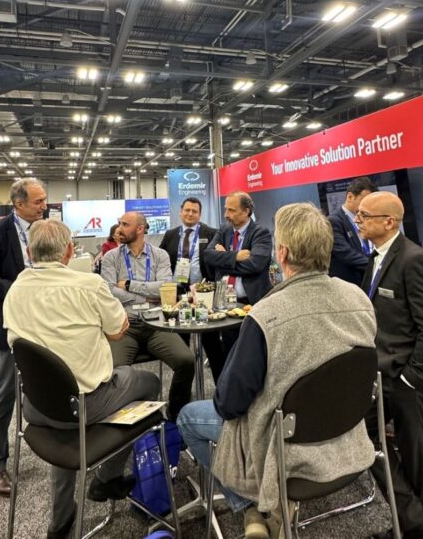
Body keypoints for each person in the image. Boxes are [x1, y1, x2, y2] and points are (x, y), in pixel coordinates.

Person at [178, 203, 377, 538]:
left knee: (187, 418)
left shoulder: (265, 315)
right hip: (347, 435)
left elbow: (229, 404)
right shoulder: (359, 299)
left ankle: (251, 506)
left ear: (281, 254)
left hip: (282, 446)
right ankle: (260, 509)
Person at [3, 219, 159, 539]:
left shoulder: (15, 288)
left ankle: (60, 521)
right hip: (85, 405)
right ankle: (107, 477)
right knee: (148, 384)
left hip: (36, 407)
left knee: (62, 402)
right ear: (69, 252)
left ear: (30, 252)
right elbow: (117, 331)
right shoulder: (89, 285)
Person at [356, 191, 423, 539]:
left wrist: (412, 378)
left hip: (407, 377)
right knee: (363, 437)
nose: (358, 219)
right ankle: (417, 523)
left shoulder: (414, 260)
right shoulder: (376, 258)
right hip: (381, 373)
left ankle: (418, 526)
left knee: (415, 454)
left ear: (389, 222)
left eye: (365, 215)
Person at [0, 178, 47, 497]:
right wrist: (23, 288)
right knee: (5, 393)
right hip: (10, 324)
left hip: (44, 322)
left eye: (44, 200)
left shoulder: (44, 230)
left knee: (47, 385)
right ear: (19, 204)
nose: (44, 205)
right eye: (38, 201)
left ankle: (52, 445)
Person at [101, 210, 194, 421]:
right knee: (113, 370)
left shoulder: (160, 255)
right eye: (119, 223)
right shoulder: (111, 257)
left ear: (140, 229)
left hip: (157, 325)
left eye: (125, 225)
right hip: (124, 327)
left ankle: (175, 415)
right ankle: (124, 422)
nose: (119, 229)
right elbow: (108, 291)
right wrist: (145, 296)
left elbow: (165, 287)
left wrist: (129, 285)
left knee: (186, 360)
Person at [204, 191, 272, 378]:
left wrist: (223, 259)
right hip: (225, 303)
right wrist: (235, 256)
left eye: (232, 210)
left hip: (251, 303)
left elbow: (255, 265)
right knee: (229, 352)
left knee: (252, 355)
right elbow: (208, 256)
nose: (226, 214)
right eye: (226, 209)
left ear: (246, 211)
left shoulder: (261, 233)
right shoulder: (224, 230)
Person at [328, 176, 378, 286]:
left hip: (369, 280)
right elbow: (345, 253)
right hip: (349, 284)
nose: (368, 206)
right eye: (364, 201)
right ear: (350, 197)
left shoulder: (367, 218)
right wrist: (375, 265)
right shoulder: (333, 221)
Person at [159, 198, 216, 293]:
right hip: (175, 289)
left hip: (202, 289)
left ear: (200, 214)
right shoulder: (170, 234)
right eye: (187, 210)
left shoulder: (212, 234)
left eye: (194, 211)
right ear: (181, 212)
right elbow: (160, 257)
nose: (190, 214)